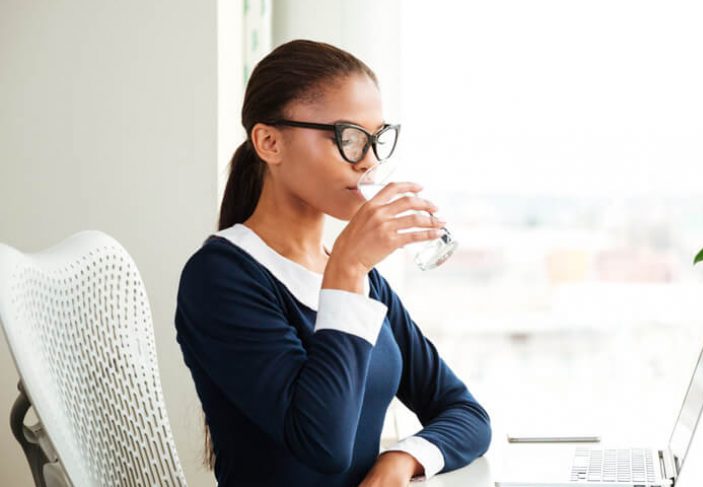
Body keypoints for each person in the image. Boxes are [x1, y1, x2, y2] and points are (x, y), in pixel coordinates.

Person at [174, 39, 491, 486]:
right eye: (349, 138)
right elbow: (323, 444)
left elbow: (465, 413)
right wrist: (345, 272)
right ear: (269, 142)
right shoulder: (221, 277)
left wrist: (400, 461)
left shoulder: (362, 280)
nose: (369, 162)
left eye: (377, 140)